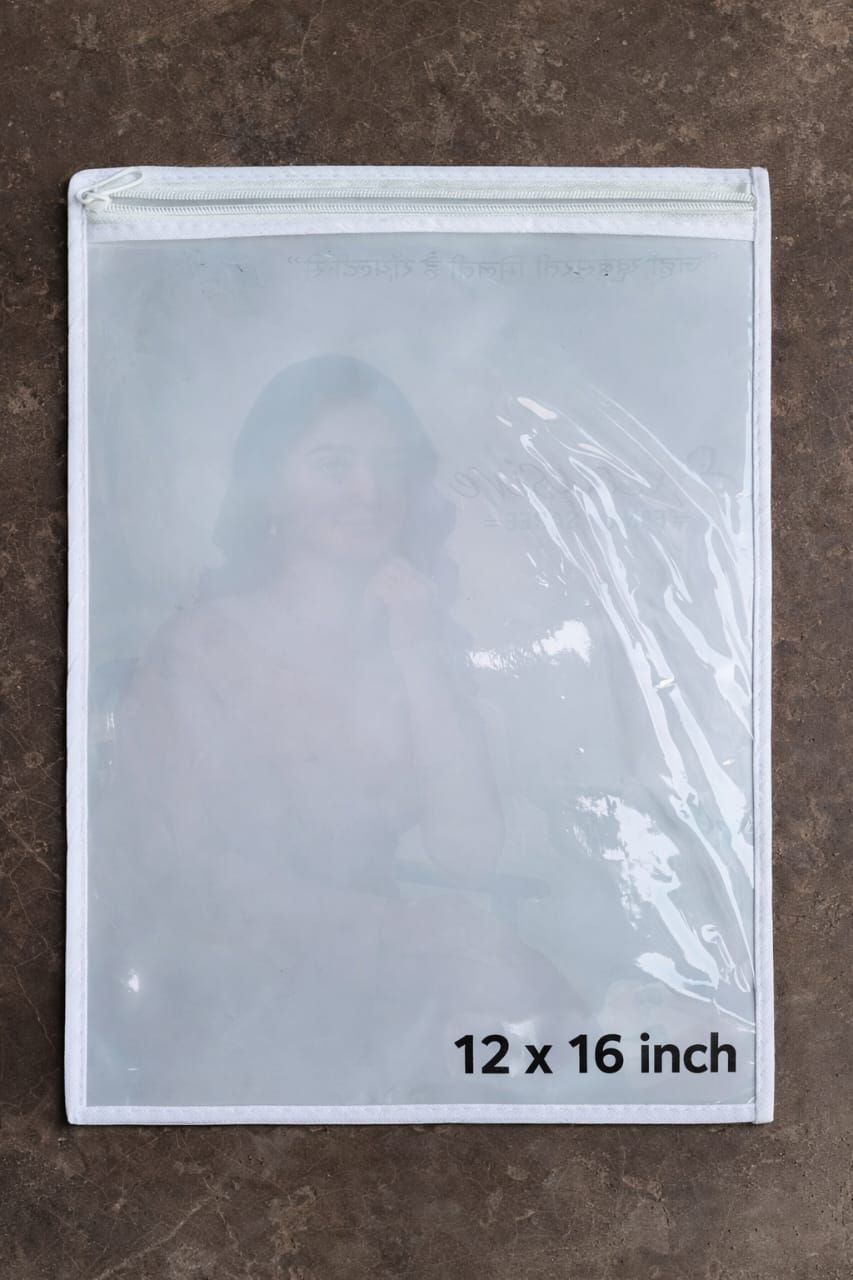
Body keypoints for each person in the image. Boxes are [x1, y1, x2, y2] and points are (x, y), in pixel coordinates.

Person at [89, 355, 579, 1104]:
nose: (369, 491)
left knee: (549, 1042)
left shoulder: (420, 639)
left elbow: (469, 850)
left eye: (388, 466)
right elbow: (182, 876)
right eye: (334, 464)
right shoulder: (204, 644)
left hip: (382, 976)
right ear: (270, 487)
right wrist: (396, 934)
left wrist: (415, 648)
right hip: (230, 993)